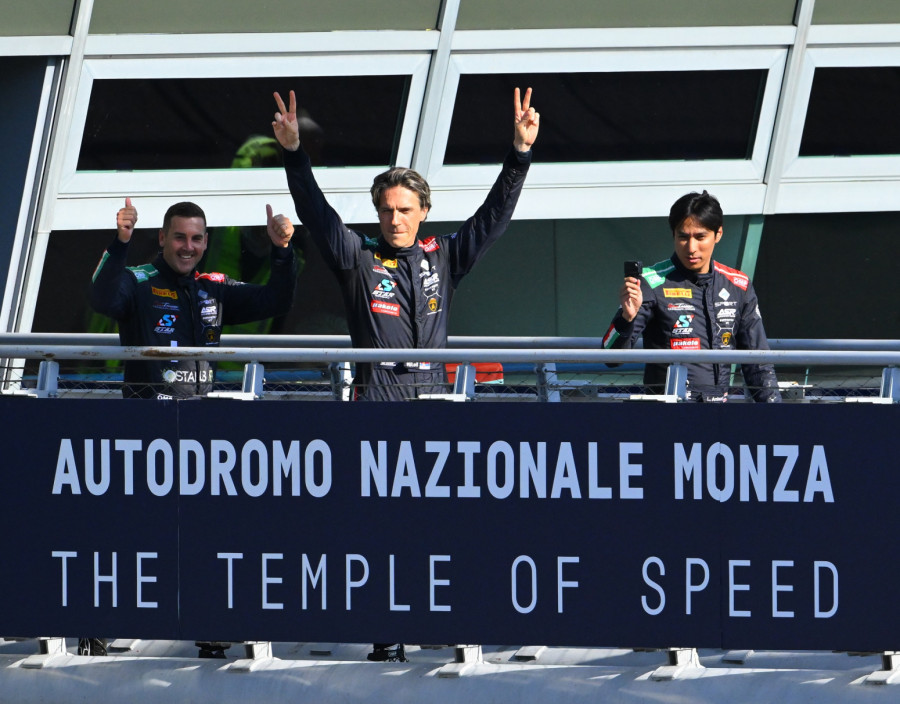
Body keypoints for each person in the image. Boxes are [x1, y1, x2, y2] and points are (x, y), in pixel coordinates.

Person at [271, 86, 540, 402]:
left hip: (433, 409)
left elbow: (492, 218)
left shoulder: (443, 256)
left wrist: (520, 154)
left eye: (405, 210)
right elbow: (317, 214)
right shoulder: (359, 256)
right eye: (387, 211)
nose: (395, 220)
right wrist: (294, 152)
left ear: (424, 211)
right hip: (377, 411)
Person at [90, 198, 298, 400]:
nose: (188, 247)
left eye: (196, 239)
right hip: (148, 415)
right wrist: (121, 242)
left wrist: (282, 249)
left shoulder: (214, 288)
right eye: (179, 237)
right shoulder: (138, 281)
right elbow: (102, 300)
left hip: (200, 416)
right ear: (162, 238)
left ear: (205, 242)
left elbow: (277, 301)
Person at [602, 190, 781, 403]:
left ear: (718, 234)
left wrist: (775, 414)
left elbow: (758, 363)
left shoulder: (738, 285)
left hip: (719, 413)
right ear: (673, 235)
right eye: (683, 237)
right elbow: (610, 358)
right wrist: (626, 318)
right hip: (666, 413)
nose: (691, 248)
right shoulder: (651, 282)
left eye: (700, 237)